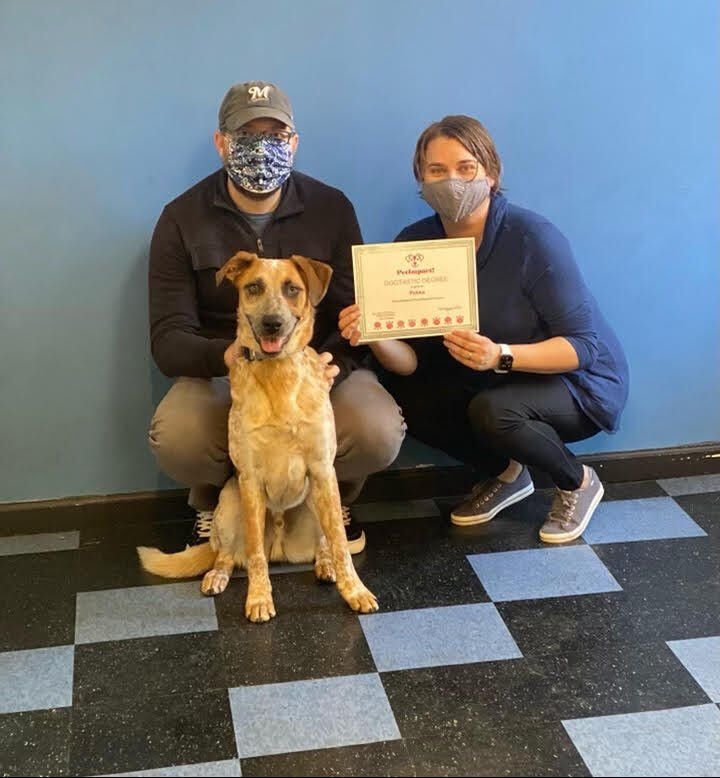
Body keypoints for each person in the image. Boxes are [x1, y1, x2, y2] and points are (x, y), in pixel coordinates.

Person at [339, 115, 629, 543]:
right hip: (484, 381)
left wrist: (501, 355)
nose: (451, 180)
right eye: (436, 170)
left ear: (491, 174)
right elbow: (410, 366)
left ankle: (578, 481)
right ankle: (508, 475)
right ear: (420, 179)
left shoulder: (533, 238)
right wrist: (378, 333)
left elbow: (583, 347)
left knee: (494, 413)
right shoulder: (413, 244)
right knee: (401, 394)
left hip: (572, 381)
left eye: (465, 167)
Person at [148, 81, 405, 552]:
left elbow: (353, 313)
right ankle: (213, 506)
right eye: (247, 135)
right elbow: (168, 339)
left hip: (313, 365)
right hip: (225, 372)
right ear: (220, 142)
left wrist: (332, 364)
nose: (263, 147)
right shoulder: (181, 218)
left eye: (276, 135)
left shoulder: (332, 208)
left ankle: (331, 499)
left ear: (295, 143)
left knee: (376, 428)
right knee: (179, 435)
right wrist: (228, 355)